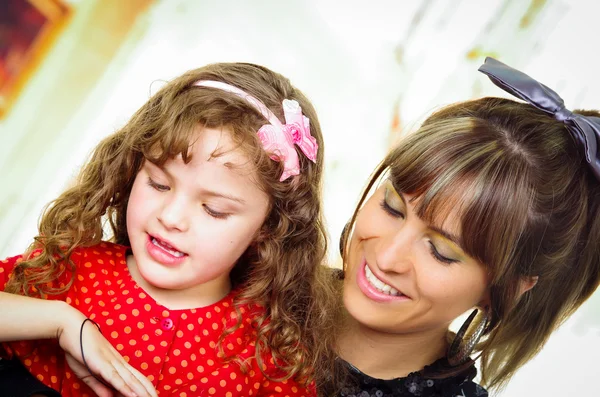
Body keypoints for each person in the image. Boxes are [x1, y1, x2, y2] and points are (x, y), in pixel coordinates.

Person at [0, 62, 334, 397]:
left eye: (214, 210)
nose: (172, 217)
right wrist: (60, 320)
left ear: (270, 227)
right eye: (159, 184)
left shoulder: (271, 354)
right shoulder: (71, 268)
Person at [324, 57, 600, 396]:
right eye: (393, 208)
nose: (387, 257)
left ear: (508, 287)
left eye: (441, 252)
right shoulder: (253, 273)